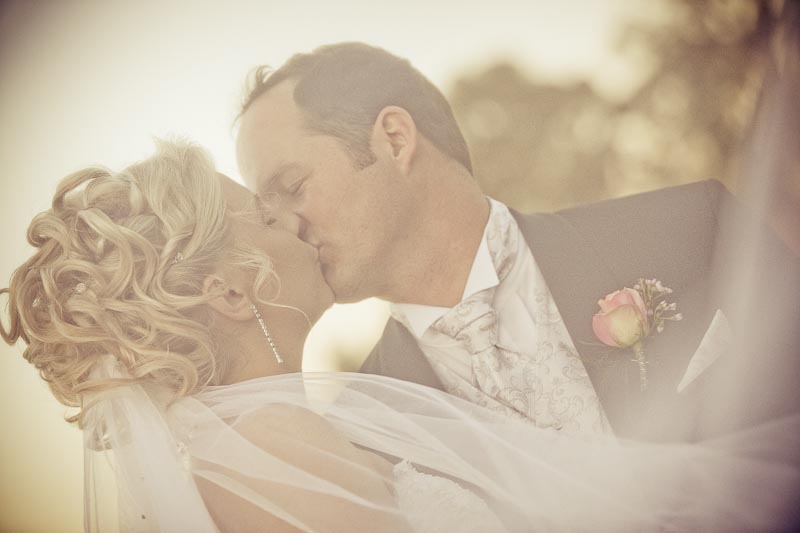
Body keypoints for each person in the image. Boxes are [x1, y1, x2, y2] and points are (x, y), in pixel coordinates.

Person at [3, 140, 798, 531]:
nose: (294, 223)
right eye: (263, 214)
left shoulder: (284, 433)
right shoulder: (266, 444)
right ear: (231, 291)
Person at [235, 42, 800, 442]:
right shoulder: (364, 432)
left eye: (293, 187)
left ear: (395, 138)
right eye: (267, 213)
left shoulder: (695, 229)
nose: (285, 228)